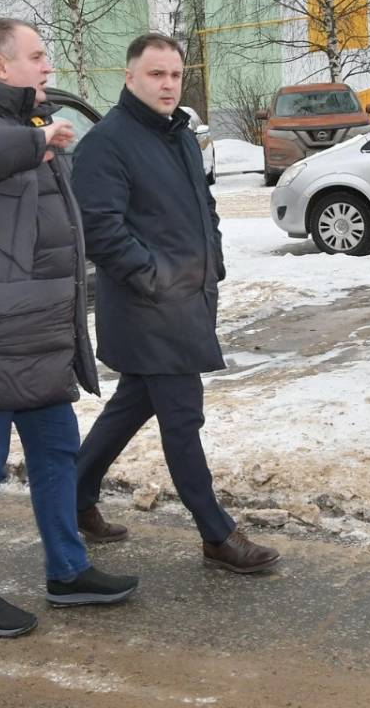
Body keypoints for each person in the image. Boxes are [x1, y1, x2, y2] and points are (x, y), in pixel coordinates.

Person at [0, 18, 138, 638]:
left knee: (58, 454)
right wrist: (33, 141)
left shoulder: (26, 120)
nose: (47, 66)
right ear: (1, 66)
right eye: (36, 56)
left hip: (35, 329)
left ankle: (68, 571)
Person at [71, 33, 281, 574]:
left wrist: (214, 261)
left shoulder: (181, 135)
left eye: (175, 75)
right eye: (156, 74)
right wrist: (156, 278)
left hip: (188, 298)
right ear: (129, 77)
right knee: (183, 418)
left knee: (134, 403)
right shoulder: (107, 143)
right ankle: (216, 533)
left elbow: (203, 207)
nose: (168, 85)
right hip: (149, 307)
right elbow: (99, 229)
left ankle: (74, 493)